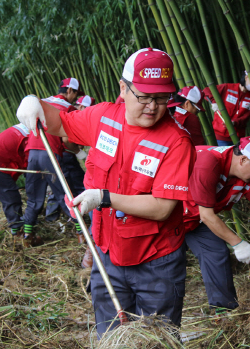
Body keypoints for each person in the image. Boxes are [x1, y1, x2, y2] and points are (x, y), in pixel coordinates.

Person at [16, 47, 196, 336]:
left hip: (156, 263)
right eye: (145, 97)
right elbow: (59, 122)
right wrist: (33, 103)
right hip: (108, 254)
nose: (153, 106)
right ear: (123, 88)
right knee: (111, 334)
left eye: (162, 98)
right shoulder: (104, 118)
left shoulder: (176, 141)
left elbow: (163, 207)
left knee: (156, 340)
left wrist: (103, 198)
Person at [182, 136, 250, 312]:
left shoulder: (246, 178)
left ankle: (224, 312)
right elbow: (207, 215)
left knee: (217, 253)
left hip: (195, 220)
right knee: (171, 267)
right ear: (244, 159)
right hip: (168, 219)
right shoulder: (207, 162)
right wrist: (238, 243)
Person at [22, 78, 83, 246]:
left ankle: (27, 236)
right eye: (76, 95)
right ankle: (82, 234)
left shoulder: (41, 102)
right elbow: (66, 139)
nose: (75, 100)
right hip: (50, 154)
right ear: (70, 90)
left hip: (33, 153)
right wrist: (79, 152)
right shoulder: (67, 108)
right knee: (65, 194)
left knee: (34, 197)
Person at [44, 94, 90, 224]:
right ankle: (80, 221)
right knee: (76, 185)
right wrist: (78, 151)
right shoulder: (71, 112)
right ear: (81, 106)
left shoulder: (55, 105)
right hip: (64, 153)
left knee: (58, 185)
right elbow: (66, 138)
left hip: (51, 152)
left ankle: (52, 217)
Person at [203, 71, 250, 146]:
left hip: (238, 136)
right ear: (246, 77)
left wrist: (234, 122)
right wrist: (214, 102)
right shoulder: (228, 88)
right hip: (220, 135)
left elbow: (246, 117)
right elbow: (206, 91)